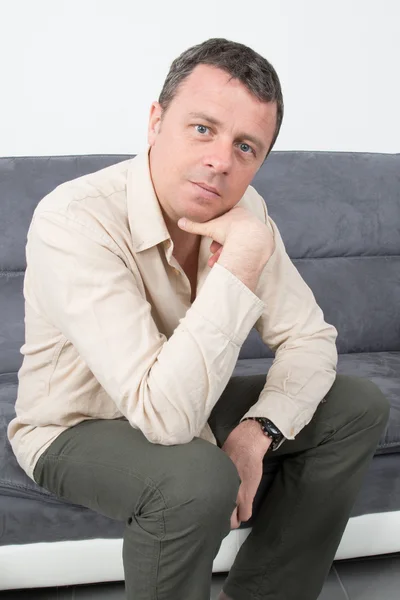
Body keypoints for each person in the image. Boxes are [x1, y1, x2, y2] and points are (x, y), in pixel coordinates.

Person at [8, 38, 389, 600]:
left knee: (357, 406)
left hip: (186, 402)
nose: (221, 162)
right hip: (73, 427)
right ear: (156, 121)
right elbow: (162, 416)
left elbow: (310, 337)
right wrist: (239, 261)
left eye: (246, 147)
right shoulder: (74, 219)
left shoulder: (247, 213)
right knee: (196, 478)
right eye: (203, 129)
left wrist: (258, 431)